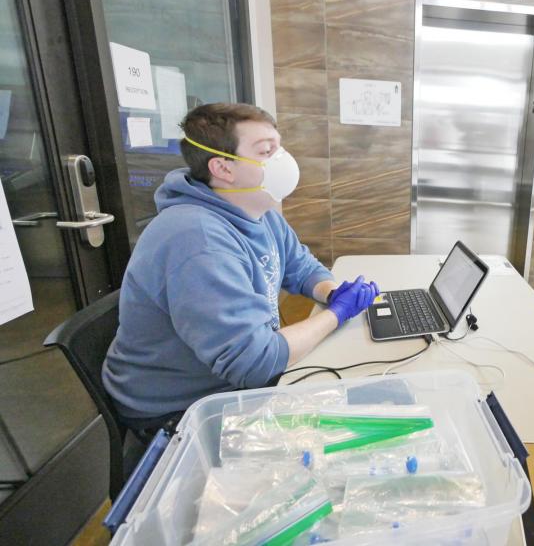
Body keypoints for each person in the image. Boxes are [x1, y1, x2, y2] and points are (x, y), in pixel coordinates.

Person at [102, 103, 378, 440]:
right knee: (350, 434)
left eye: (280, 148)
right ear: (223, 168)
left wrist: (331, 291)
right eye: (267, 151)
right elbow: (255, 362)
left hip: (234, 380)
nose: (283, 161)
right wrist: (337, 313)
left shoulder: (259, 210)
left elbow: (300, 266)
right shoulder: (198, 240)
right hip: (182, 409)